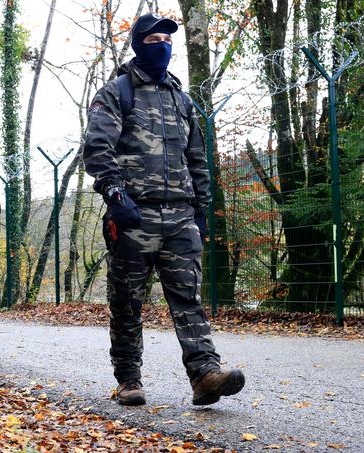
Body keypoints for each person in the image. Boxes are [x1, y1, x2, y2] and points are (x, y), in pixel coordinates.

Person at [82, 13, 245, 406]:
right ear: (139, 44)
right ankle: (129, 379)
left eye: (167, 39)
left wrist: (201, 211)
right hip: (134, 216)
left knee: (187, 297)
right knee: (127, 300)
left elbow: (197, 159)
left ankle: (205, 373)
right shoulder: (116, 92)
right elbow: (97, 148)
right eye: (154, 38)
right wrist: (116, 195)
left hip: (180, 217)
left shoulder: (182, 99)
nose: (163, 45)